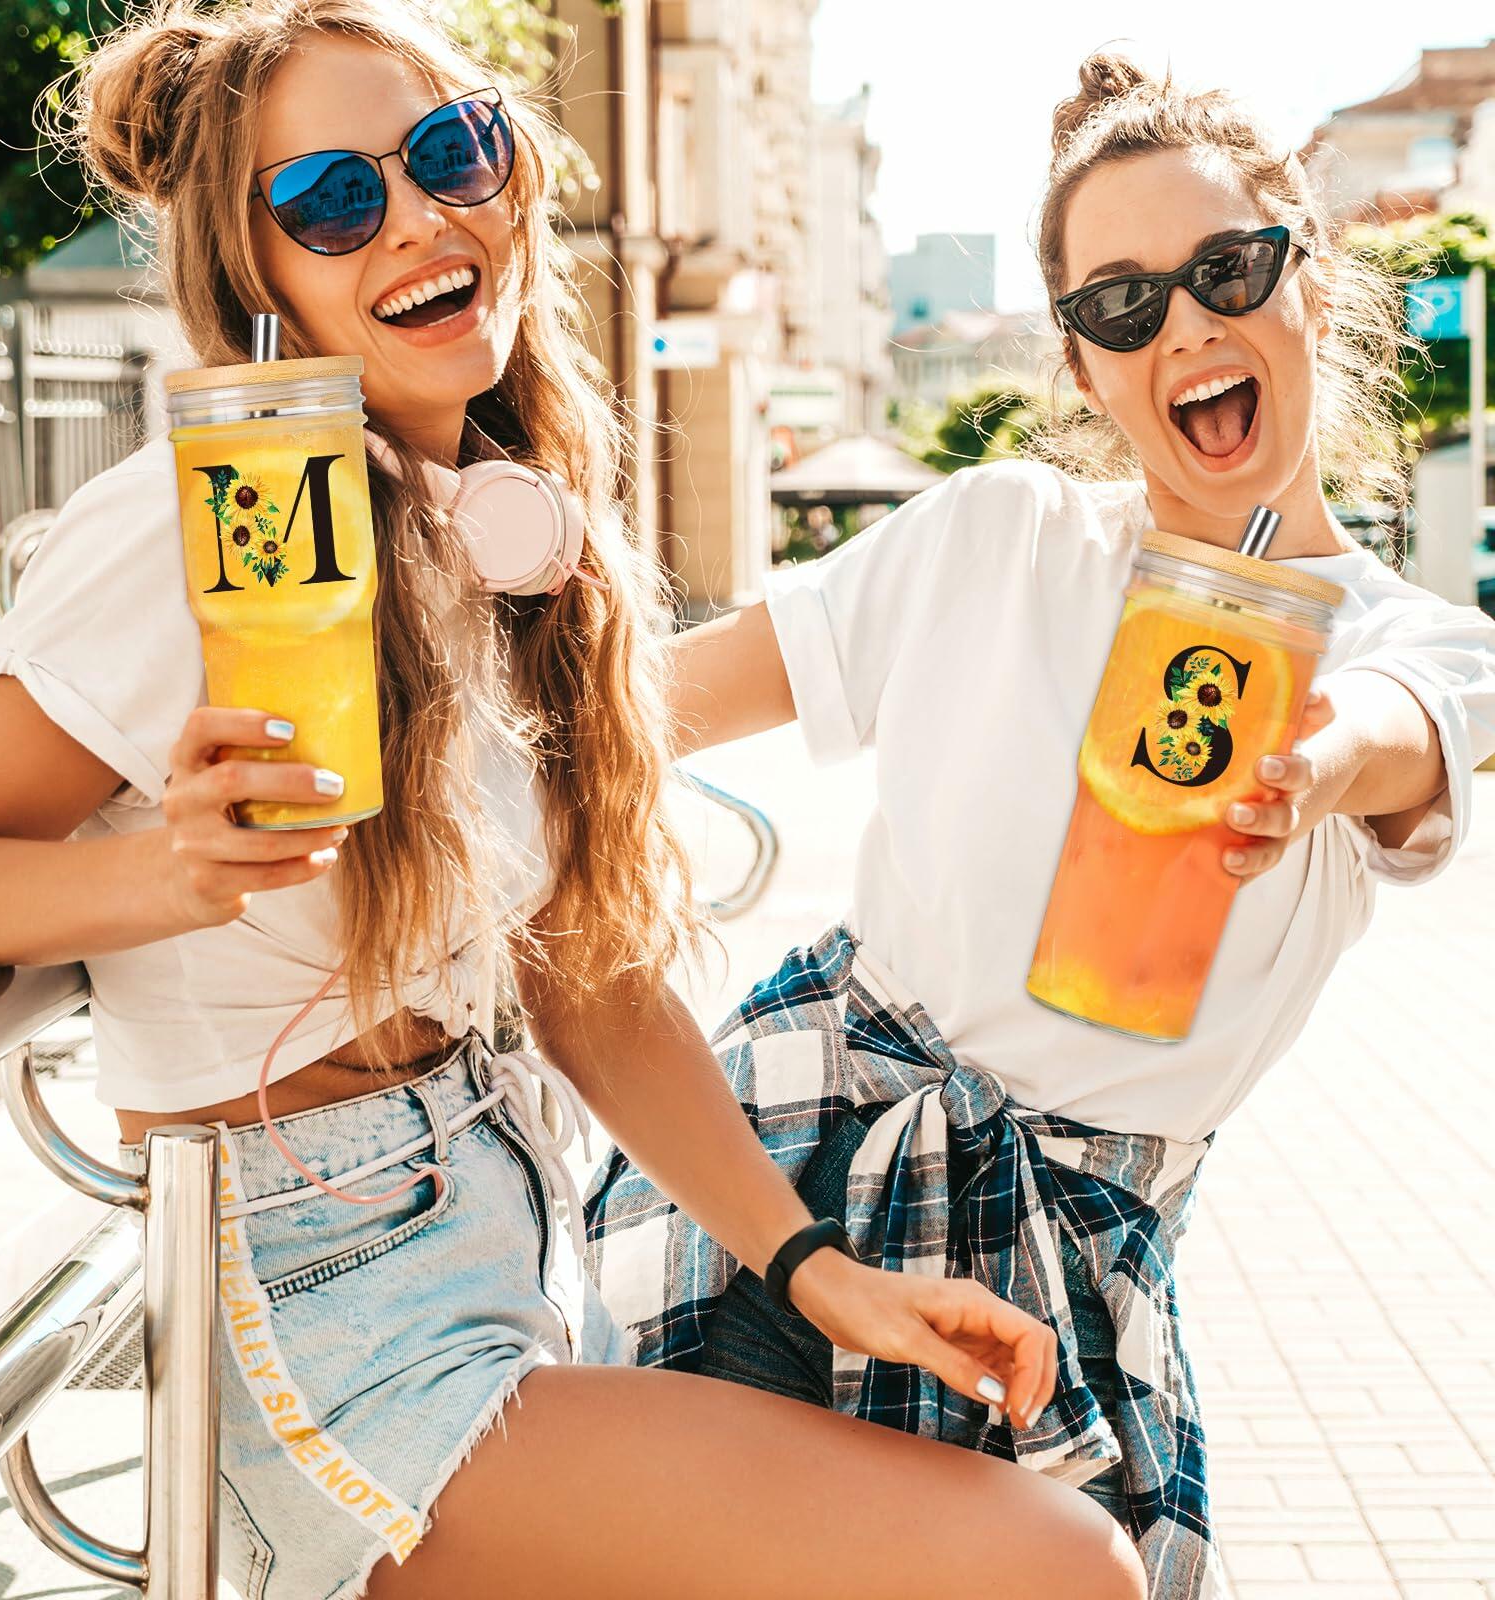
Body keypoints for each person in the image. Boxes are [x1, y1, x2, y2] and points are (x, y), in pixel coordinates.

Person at [0, 3, 1156, 1597]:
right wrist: (165, 877)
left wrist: (815, 1268)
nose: (417, 217)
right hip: (325, 1333)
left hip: (495, 1245)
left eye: (447, 152)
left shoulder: (495, 525)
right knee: (1047, 1567)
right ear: (260, 276)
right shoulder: (197, 530)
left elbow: (588, 982)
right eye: (334, 201)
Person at [586, 51, 1495, 1600]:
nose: (1186, 325)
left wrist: (1309, 765)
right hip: (788, 1157)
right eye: (1123, 305)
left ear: (1305, 277)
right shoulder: (995, 534)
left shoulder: (1411, 643)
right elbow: (644, 705)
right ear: (1082, 365)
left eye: (1224, 269)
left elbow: (1405, 737)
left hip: (1069, 1251)